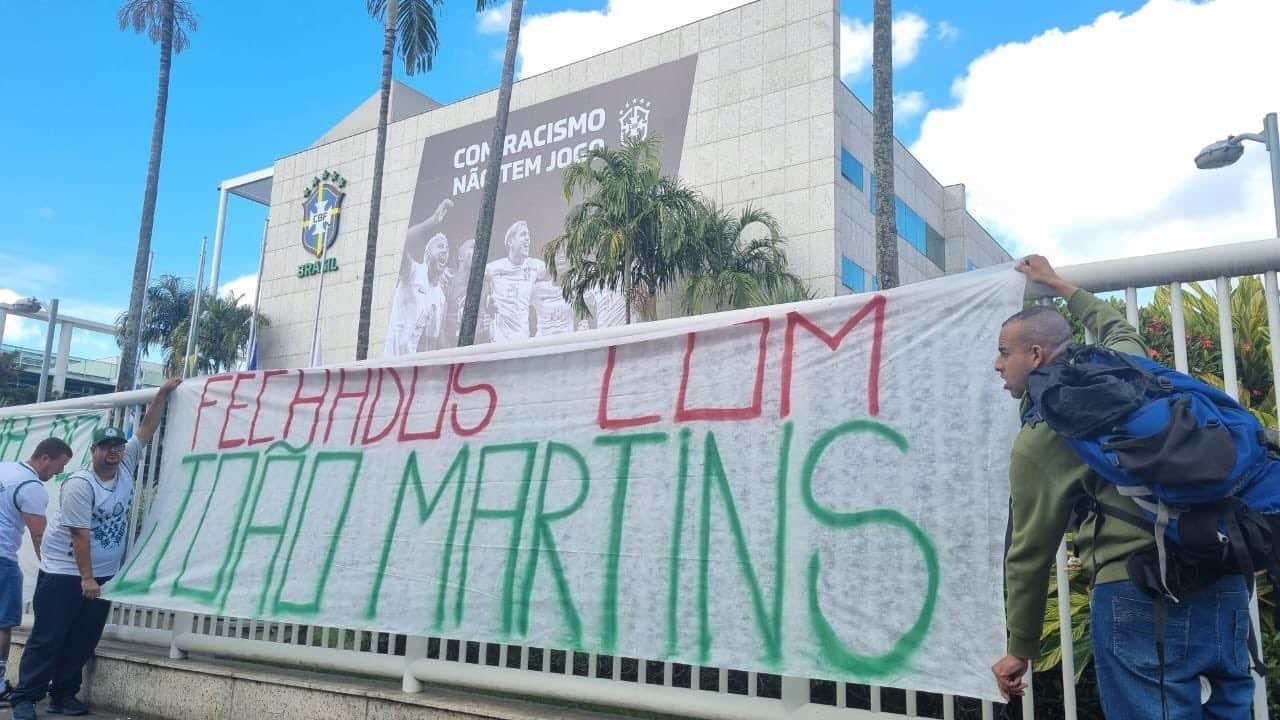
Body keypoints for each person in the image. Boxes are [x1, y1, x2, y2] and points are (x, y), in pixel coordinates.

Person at [991, 256, 1253, 718]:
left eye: (1003, 351)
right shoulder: (1130, 370)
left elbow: (1029, 554)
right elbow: (1112, 325)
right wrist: (1057, 283)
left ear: (1035, 356)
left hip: (1138, 594)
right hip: (1224, 578)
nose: (997, 365)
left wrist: (1022, 648)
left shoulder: (1042, 436)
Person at [10, 378, 180, 720]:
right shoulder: (79, 485)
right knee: (49, 636)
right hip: (66, 572)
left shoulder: (126, 464)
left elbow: (146, 428)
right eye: (107, 447)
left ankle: (63, 695)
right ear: (94, 451)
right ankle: (26, 698)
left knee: (83, 639)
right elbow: (80, 535)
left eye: (117, 446)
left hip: (101, 574)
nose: (114, 451)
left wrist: (162, 395)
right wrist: (87, 578)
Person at [0, 438, 73, 700]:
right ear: (44, 458)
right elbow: (40, 536)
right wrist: (52, 571)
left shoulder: (4, 468)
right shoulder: (31, 487)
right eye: (59, 465)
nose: (59, 472)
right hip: (2, 559)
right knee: (2, 623)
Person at [385, 198, 452, 357]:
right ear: (427, 254)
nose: (445, 251)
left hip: (411, 368)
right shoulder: (412, 271)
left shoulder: (440, 297)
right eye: (440, 247)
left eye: (447, 249)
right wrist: (432, 221)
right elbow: (402, 242)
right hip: (389, 359)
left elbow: (431, 342)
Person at [482, 219, 546, 343]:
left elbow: (559, 270)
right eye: (523, 234)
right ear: (510, 242)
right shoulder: (494, 268)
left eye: (528, 235)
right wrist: (486, 306)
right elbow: (471, 281)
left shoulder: (535, 266)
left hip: (522, 339)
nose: (528, 238)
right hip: (498, 341)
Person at [531, 246, 575, 337]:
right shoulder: (538, 288)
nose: (562, 256)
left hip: (567, 345)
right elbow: (516, 303)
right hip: (542, 345)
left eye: (566, 253)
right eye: (558, 253)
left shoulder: (576, 288)